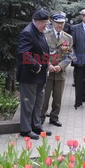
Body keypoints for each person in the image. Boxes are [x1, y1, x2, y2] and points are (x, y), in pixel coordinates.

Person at [17, 8, 53, 140]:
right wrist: (36, 66)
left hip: (40, 75)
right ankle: (26, 130)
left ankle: (36, 126)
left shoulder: (39, 30)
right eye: (45, 23)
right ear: (37, 21)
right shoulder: (28, 32)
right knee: (28, 104)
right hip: (30, 75)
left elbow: (42, 50)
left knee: (38, 103)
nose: (46, 25)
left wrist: (46, 64)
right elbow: (23, 53)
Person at [41, 12, 73, 127]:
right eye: (58, 23)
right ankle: (40, 118)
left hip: (60, 72)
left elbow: (68, 56)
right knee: (44, 98)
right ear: (53, 22)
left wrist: (60, 66)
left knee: (58, 98)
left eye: (62, 23)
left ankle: (54, 118)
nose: (60, 25)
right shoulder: (45, 35)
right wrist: (48, 64)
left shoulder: (68, 38)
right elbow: (42, 53)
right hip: (47, 71)